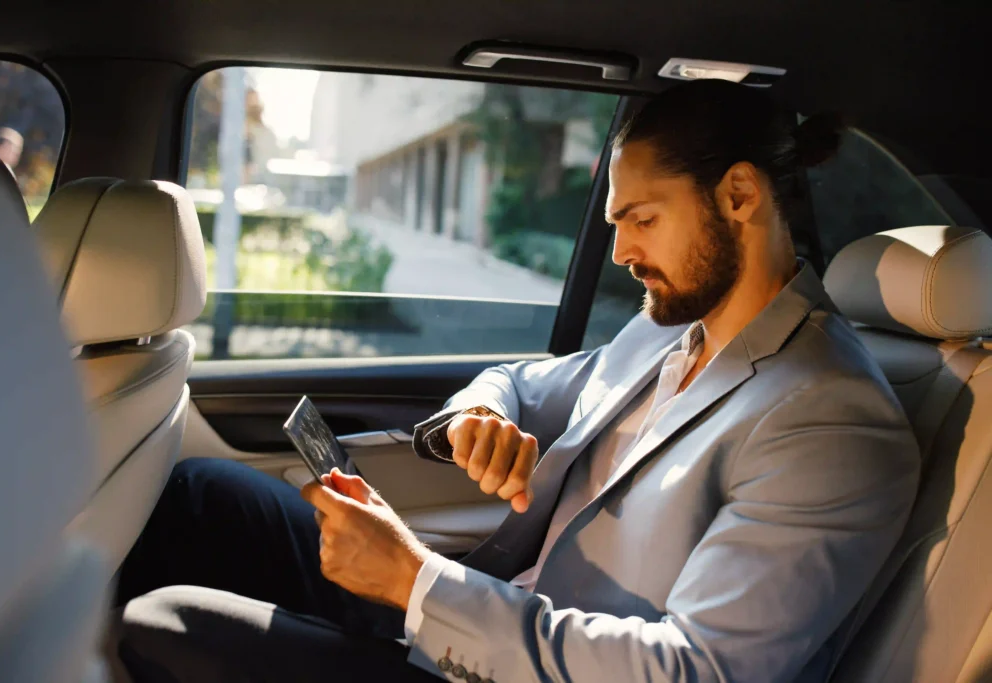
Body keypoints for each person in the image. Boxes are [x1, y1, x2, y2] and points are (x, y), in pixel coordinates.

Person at [112, 79, 920, 683]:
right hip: (480, 610)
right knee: (206, 493)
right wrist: (481, 413)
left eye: (643, 218)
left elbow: (695, 671)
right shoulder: (671, 333)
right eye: (616, 223)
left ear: (739, 195)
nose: (622, 252)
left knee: (167, 628)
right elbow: (522, 380)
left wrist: (414, 579)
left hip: (526, 661)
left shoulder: (831, 420)